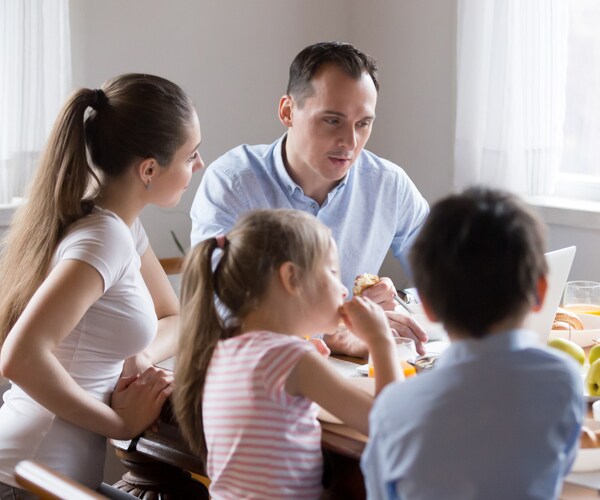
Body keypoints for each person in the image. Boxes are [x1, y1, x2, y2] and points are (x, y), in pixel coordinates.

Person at [0, 73, 204, 498]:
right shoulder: (104, 237)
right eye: (191, 156)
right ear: (149, 168)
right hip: (29, 480)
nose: (198, 166)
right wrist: (120, 424)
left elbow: (174, 316)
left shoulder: (122, 226)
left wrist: (139, 355)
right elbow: (19, 357)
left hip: (55, 476)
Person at [190, 41, 429, 357]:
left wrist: (395, 298)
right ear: (288, 111)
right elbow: (217, 311)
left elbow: (447, 278)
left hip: (344, 369)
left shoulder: (388, 184)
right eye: (332, 120)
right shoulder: (233, 183)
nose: (350, 142)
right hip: (256, 376)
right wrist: (331, 329)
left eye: (363, 124)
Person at [361, 187, 585, 500]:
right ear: (541, 291)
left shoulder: (395, 409)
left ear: (426, 305)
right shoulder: (565, 380)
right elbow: (559, 467)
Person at [174, 209, 401, 500]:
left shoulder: (222, 348)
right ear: (292, 277)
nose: (343, 288)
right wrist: (381, 341)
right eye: (332, 272)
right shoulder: (291, 358)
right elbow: (390, 427)